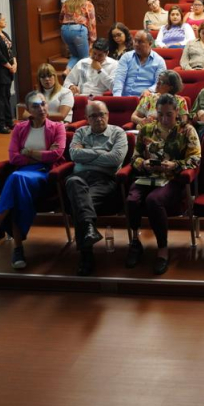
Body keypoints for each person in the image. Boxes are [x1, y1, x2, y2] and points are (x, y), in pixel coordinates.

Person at [0, 91, 65, 269]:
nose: (41, 108)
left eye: (43, 104)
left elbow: (56, 155)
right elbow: (13, 158)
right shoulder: (20, 128)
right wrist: (41, 155)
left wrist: (29, 152)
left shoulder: (57, 127)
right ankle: (17, 249)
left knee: (15, 178)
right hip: (24, 173)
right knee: (17, 185)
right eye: (35, 106)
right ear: (28, 110)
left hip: (45, 174)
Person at [125, 94, 201, 275]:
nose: (164, 119)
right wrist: (142, 163)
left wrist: (175, 165)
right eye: (160, 114)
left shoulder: (186, 131)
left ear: (176, 113)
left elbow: (195, 159)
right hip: (148, 177)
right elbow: (135, 157)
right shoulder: (147, 129)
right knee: (132, 200)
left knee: (153, 200)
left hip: (172, 179)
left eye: (169, 114)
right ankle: (135, 242)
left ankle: (162, 249)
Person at [64, 100, 128, 276]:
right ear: (86, 118)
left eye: (102, 114)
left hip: (104, 180)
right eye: (93, 116)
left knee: (81, 203)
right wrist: (102, 153)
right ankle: (89, 231)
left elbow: (115, 159)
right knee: (73, 183)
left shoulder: (118, 133)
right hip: (79, 178)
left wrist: (86, 153)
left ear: (108, 115)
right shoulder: (80, 132)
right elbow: (74, 154)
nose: (99, 119)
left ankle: (86, 257)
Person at [113, 30, 167, 96]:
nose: (136, 44)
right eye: (135, 41)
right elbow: (119, 79)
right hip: (126, 98)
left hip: (146, 98)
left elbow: (159, 83)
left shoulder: (159, 61)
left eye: (140, 42)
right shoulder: (126, 57)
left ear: (150, 43)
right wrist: (117, 97)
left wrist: (149, 90)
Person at [59, 0, 96, 71]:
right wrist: (93, 39)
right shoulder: (88, 4)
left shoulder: (66, 3)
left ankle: (67, 71)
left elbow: (61, 17)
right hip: (79, 31)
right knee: (85, 58)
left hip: (65, 30)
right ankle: (83, 77)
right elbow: (92, 22)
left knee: (75, 55)